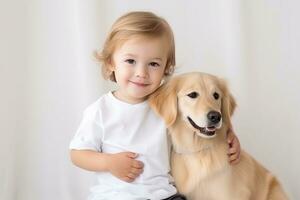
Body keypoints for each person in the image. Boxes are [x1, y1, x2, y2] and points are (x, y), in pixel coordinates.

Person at [69, 11, 241, 200]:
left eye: (153, 64)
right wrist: (109, 162)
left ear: (166, 68)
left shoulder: (166, 104)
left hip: (163, 194)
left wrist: (229, 135)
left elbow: (198, 126)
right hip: (116, 195)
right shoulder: (101, 110)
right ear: (111, 63)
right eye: (131, 61)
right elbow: (78, 154)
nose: (141, 72)